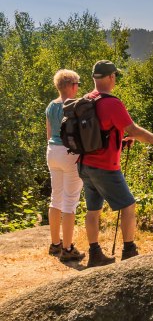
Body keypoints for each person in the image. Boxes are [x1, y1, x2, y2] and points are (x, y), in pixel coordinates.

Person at [79, 60, 153, 267]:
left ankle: (95, 254)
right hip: (105, 167)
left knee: (93, 210)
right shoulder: (112, 103)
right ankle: (129, 251)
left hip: (85, 164)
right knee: (128, 206)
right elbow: (135, 131)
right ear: (111, 77)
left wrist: (119, 142)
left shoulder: (87, 99)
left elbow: (97, 134)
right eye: (115, 76)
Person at [46, 69, 86, 262]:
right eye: (77, 84)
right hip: (68, 153)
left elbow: (49, 134)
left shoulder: (50, 106)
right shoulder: (75, 106)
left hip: (52, 151)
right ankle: (68, 249)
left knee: (56, 198)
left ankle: (55, 244)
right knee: (70, 202)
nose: (78, 87)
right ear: (71, 85)